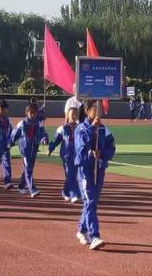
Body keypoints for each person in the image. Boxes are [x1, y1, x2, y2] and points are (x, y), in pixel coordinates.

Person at [74, 100, 116, 251]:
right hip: (86, 170)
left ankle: (81, 228)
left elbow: (111, 148)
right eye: (95, 109)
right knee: (90, 200)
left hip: (99, 169)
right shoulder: (81, 128)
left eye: (100, 109)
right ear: (87, 111)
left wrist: (102, 154)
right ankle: (94, 236)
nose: (99, 111)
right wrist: (92, 128)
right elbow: (80, 147)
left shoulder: (105, 129)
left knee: (92, 202)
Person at [10, 102, 48, 197]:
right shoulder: (22, 124)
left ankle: (21, 186)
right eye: (30, 112)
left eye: (34, 113)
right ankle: (32, 189)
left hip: (34, 149)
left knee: (28, 167)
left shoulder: (38, 124)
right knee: (28, 168)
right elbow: (15, 134)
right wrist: (10, 142)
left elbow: (43, 133)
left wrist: (44, 139)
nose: (32, 115)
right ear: (26, 113)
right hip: (24, 149)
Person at [48, 106, 81, 203]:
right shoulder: (62, 129)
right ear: (67, 115)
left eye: (76, 114)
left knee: (71, 175)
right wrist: (50, 148)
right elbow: (56, 141)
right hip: (66, 155)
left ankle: (66, 192)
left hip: (77, 155)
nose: (74, 116)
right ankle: (75, 194)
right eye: (72, 114)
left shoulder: (80, 127)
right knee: (70, 174)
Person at [0, 100, 13, 190]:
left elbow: (11, 132)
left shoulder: (8, 120)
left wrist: (10, 141)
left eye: (5, 108)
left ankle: (7, 181)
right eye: (1, 108)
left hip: (5, 144)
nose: (4, 110)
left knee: (6, 162)